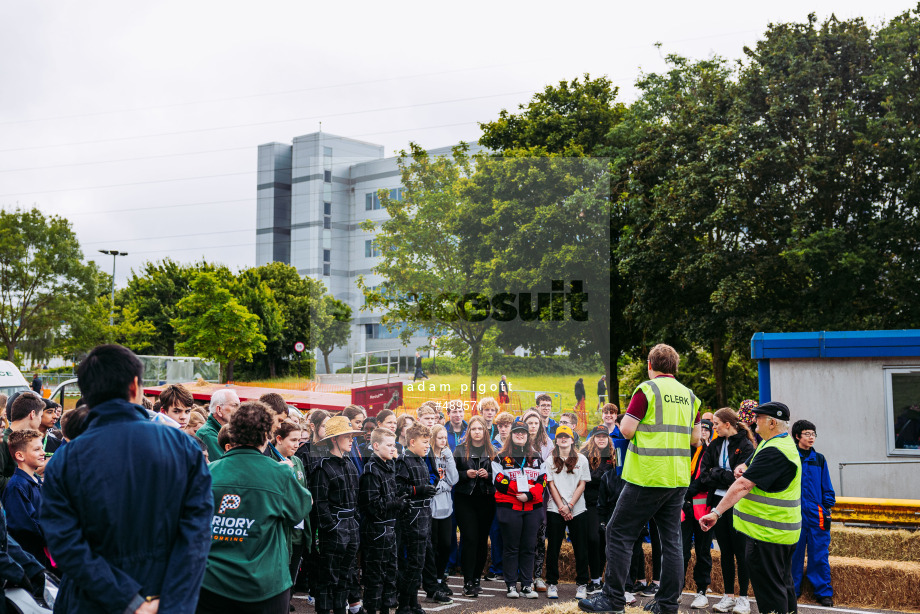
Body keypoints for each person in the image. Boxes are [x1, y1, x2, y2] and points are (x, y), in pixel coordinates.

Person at [41, 344, 212, 613]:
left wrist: (130, 601)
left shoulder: (64, 460)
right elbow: (197, 536)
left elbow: (66, 546)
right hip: (163, 596)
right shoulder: (184, 448)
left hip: (91, 601)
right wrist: (170, 603)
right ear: (135, 386)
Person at [580, 344, 702, 614]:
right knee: (672, 541)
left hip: (647, 475)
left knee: (618, 532)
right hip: (678, 478)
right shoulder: (690, 396)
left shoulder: (647, 390)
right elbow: (695, 439)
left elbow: (625, 430)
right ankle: (668, 603)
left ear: (650, 364)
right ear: (675, 367)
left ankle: (612, 600)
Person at [198, 402, 311, 614]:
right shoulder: (279, 474)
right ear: (268, 435)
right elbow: (299, 510)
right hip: (264, 587)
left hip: (212, 583)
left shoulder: (206, 473)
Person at [699, 402, 802, 614]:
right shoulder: (774, 443)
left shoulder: (774, 450)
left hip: (767, 535)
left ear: (772, 422)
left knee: (771, 593)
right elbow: (750, 466)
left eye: (759, 417)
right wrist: (742, 467)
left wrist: (716, 513)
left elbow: (743, 485)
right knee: (783, 585)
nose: (754, 420)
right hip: (779, 533)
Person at [699, 408, 756, 614]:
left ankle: (744, 598)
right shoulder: (715, 444)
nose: (713, 427)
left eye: (716, 424)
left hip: (738, 503)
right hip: (717, 503)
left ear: (727, 424)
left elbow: (740, 479)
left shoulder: (746, 445)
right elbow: (705, 474)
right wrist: (723, 474)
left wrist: (717, 473)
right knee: (725, 552)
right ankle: (728, 596)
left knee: (741, 551)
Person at [311, 416, 363, 614]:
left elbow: (355, 498)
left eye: (352, 436)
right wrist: (332, 526)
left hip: (351, 527)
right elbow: (319, 504)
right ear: (334, 439)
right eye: (347, 436)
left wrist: (354, 522)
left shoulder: (350, 465)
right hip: (334, 529)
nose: (351, 440)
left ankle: (341, 610)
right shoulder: (322, 468)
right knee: (328, 576)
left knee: (346, 574)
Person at [492, 420, 546, 599]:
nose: (520, 435)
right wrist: (520, 491)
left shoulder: (537, 456)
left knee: (529, 547)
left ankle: (526, 585)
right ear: (511, 435)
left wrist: (529, 495)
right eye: (517, 433)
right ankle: (511, 586)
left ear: (527, 435)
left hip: (532, 507)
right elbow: (499, 481)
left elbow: (542, 480)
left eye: (523, 433)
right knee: (511, 547)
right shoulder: (500, 457)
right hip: (510, 508)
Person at [360, 427, 406, 614]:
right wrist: (396, 503)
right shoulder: (371, 470)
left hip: (389, 528)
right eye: (388, 445)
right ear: (376, 445)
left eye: (394, 444)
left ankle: (386, 610)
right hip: (376, 531)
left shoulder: (388, 465)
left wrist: (400, 501)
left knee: (390, 574)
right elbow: (371, 506)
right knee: (375, 577)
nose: (392, 448)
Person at [791, 419, 835, 607]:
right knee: (794, 555)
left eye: (813, 434)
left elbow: (828, 487)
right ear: (797, 436)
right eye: (807, 434)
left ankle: (823, 593)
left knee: (819, 555)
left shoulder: (819, 459)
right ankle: (792, 590)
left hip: (816, 514)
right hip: (794, 514)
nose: (811, 437)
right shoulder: (791, 457)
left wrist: (826, 507)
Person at [544, 424, 591, 600]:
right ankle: (552, 584)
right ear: (556, 440)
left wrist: (570, 505)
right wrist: (562, 507)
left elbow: (582, 484)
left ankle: (581, 584)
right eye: (560, 436)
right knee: (554, 547)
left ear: (572, 440)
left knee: (581, 548)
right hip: (555, 509)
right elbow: (551, 485)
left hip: (577, 509)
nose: (563, 439)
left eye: (566, 436)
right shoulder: (550, 461)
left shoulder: (581, 459)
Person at [395, 423, 438, 614]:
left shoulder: (421, 460)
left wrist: (429, 488)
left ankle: (413, 602)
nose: (428, 446)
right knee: (413, 563)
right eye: (424, 442)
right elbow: (398, 489)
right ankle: (404, 604)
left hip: (424, 516)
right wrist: (418, 490)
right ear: (412, 442)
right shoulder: (404, 461)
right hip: (411, 518)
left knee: (419, 563)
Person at [453, 416, 496, 597]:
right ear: (469, 431)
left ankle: (477, 578)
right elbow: (451, 474)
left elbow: (501, 477)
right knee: (469, 538)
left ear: (485, 431)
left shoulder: (492, 450)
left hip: (486, 499)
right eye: (474, 428)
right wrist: (465, 474)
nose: (477, 431)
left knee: (481, 539)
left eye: (480, 429)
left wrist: (489, 474)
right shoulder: (460, 449)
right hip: (465, 499)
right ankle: (467, 580)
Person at [274, 420, 313, 605]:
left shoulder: (297, 461)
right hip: (282, 531)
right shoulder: (271, 461)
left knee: (292, 576)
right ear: (279, 439)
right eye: (293, 440)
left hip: (298, 530)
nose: (297, 444)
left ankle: (287, 601)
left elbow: (304, 493)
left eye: (299, 440)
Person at [3, 430, 50, 568]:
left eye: (42, 448)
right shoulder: (17, 486)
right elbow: (24, 527)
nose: (43, 453)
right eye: (37, 449)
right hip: (31, 558)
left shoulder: (36, 480)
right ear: (20, 456)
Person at [684, 419, 714, 609]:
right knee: (680, 550)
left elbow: (705, 478)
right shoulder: (683, 449)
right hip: (682, 508)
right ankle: (675, 589)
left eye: (705, 429)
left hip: (702, 508)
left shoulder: (711, 452)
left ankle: (701, 591)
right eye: (699, 429)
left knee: (703, 551)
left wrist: (685, 493)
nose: (701, 432)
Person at [581, 426, 615, 595]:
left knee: (606, 541)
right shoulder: (584, 454)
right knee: (594, 539)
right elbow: (586, 478)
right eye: (598, 436)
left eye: (604, 436)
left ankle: (602, 579)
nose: (601, 439)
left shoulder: (615, 454)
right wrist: (602, 477)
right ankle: (594, 579)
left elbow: (620, 474)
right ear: (592, 438)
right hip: (592, 503)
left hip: (610, 504)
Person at [426, 424, 458, 603]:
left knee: (446, 545)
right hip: (431, 508)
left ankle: (440, 578)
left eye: (445, 438)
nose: (443, 441)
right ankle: (431, 582)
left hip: (446, 508)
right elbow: (433, 482)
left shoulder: (447, 455)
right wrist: (444, 486)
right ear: (433, 438)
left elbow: (454, 479)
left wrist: (451, 459)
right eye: (440, 438)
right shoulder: (428, 455)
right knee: (433, 546)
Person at [522, 408, 552, 591]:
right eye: (529, 423)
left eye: (535, 423)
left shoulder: (547, 444)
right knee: (522, 537)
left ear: (540, 425)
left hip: (540, 495)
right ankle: (523, 574)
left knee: (539, 538)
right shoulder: (517, 441)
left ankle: (538, 576)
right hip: (518, 495)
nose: (532, 427)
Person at [484, 411, 515, 582]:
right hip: (496, 495)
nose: (503, 429)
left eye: (506, 426)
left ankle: (512, 568)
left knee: (512, 533)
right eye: (500, 426)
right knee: (496, 532)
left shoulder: (517, 444)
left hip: (514, 496)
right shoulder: (492, 444)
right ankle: (497, 567)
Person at [0, 393, 45, 493]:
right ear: (32, 414)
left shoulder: (24, 440)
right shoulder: (3, 441)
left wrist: (39, 480)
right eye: (41, 416)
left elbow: (27, 473)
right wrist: (29, 482)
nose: (40, 421)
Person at [197, 389, 240, 460]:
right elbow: (226, 464)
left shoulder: (225, 431)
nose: (239, 410)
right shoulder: (207, 434)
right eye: (234, 405)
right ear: (219, 409)